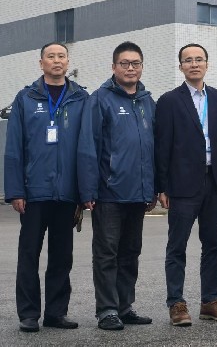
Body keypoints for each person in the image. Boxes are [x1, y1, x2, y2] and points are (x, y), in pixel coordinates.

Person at [3, 42, 88, 333]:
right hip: (34, 192)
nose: (56, 61)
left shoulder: (81, 98)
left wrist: (85, 191)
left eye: (61, 56)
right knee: (29, 254)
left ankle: (56, 312)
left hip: (67, 193)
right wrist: (16, 190)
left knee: (62, 256)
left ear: (68, 62)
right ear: (41, 63)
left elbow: (87, 148)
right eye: (50, 56)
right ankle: (29, 314)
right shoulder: (25, 98)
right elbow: (14, 148)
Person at [154, 43, 217, 327]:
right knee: (177, 246)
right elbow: (162, 146)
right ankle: (176, 303)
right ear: (181, 67)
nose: (194, 64)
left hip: (214, 181)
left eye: (199, 59)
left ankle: (210, 302)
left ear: (207, 64)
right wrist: (162, 186)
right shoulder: (168, 101)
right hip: (181, 184)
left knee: (213, 245)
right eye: (188, 60)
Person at [78, 42, 157, 331]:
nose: (130, 68)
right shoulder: (100, 99)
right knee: (106, 253)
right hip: (108, 193)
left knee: (130, 253)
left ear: (142, 67)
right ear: (113, 67)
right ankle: (107, 310)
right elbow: (88, 147)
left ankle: (125, 307)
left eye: (136, 63)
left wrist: (153, 188)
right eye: (124, 63)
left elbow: (154, 149)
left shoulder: (148, 102)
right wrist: (88, 190)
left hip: (138, 194)